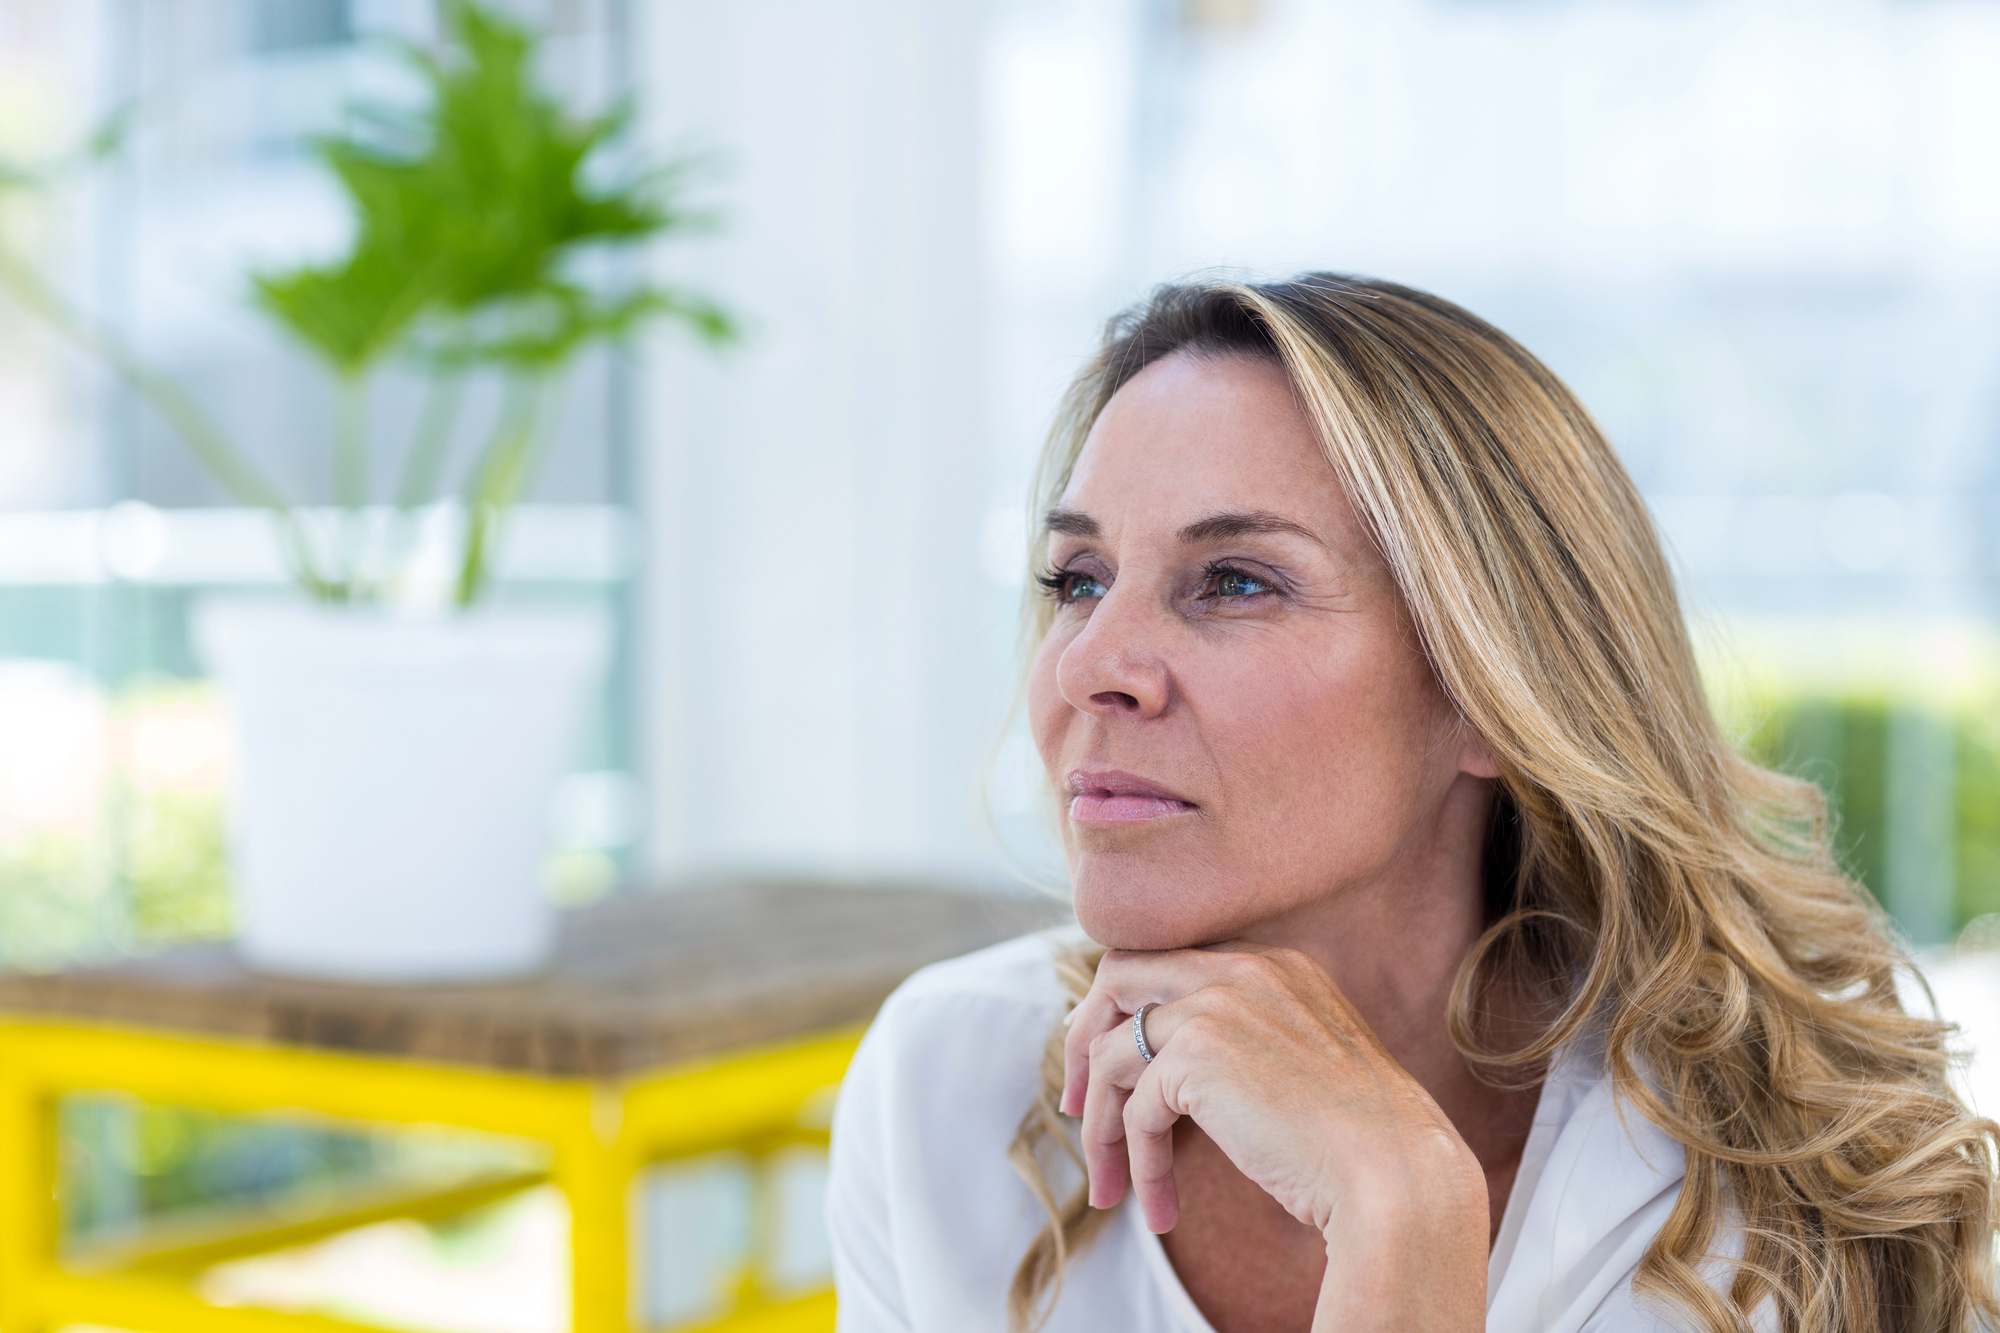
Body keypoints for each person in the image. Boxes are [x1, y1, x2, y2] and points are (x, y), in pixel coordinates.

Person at [825, 275, 1999, 1333]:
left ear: (1488, 690)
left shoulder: (1754, 1200)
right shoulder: (951, 1082)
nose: (1089, 664)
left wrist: (1401, 1216)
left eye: (1234, 581)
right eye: (1078, 579)